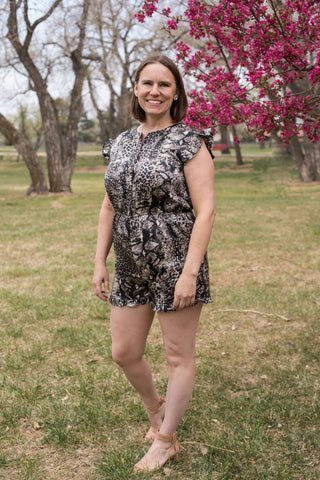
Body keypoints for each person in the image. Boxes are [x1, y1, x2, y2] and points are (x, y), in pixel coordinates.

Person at [93, 53, 215, 473]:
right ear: (136, 89)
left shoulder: (189, 141)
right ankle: (156, 409)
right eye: (148, 83)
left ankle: (165, 440)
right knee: (124, 352)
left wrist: (190, 272)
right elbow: (109, 206)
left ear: (176, 92)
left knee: (179, 355)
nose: (155, 91)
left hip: (175, 261)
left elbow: (207, 210)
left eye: (164, 85)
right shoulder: (122, 142)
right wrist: (99, 262)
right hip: (129, 264)